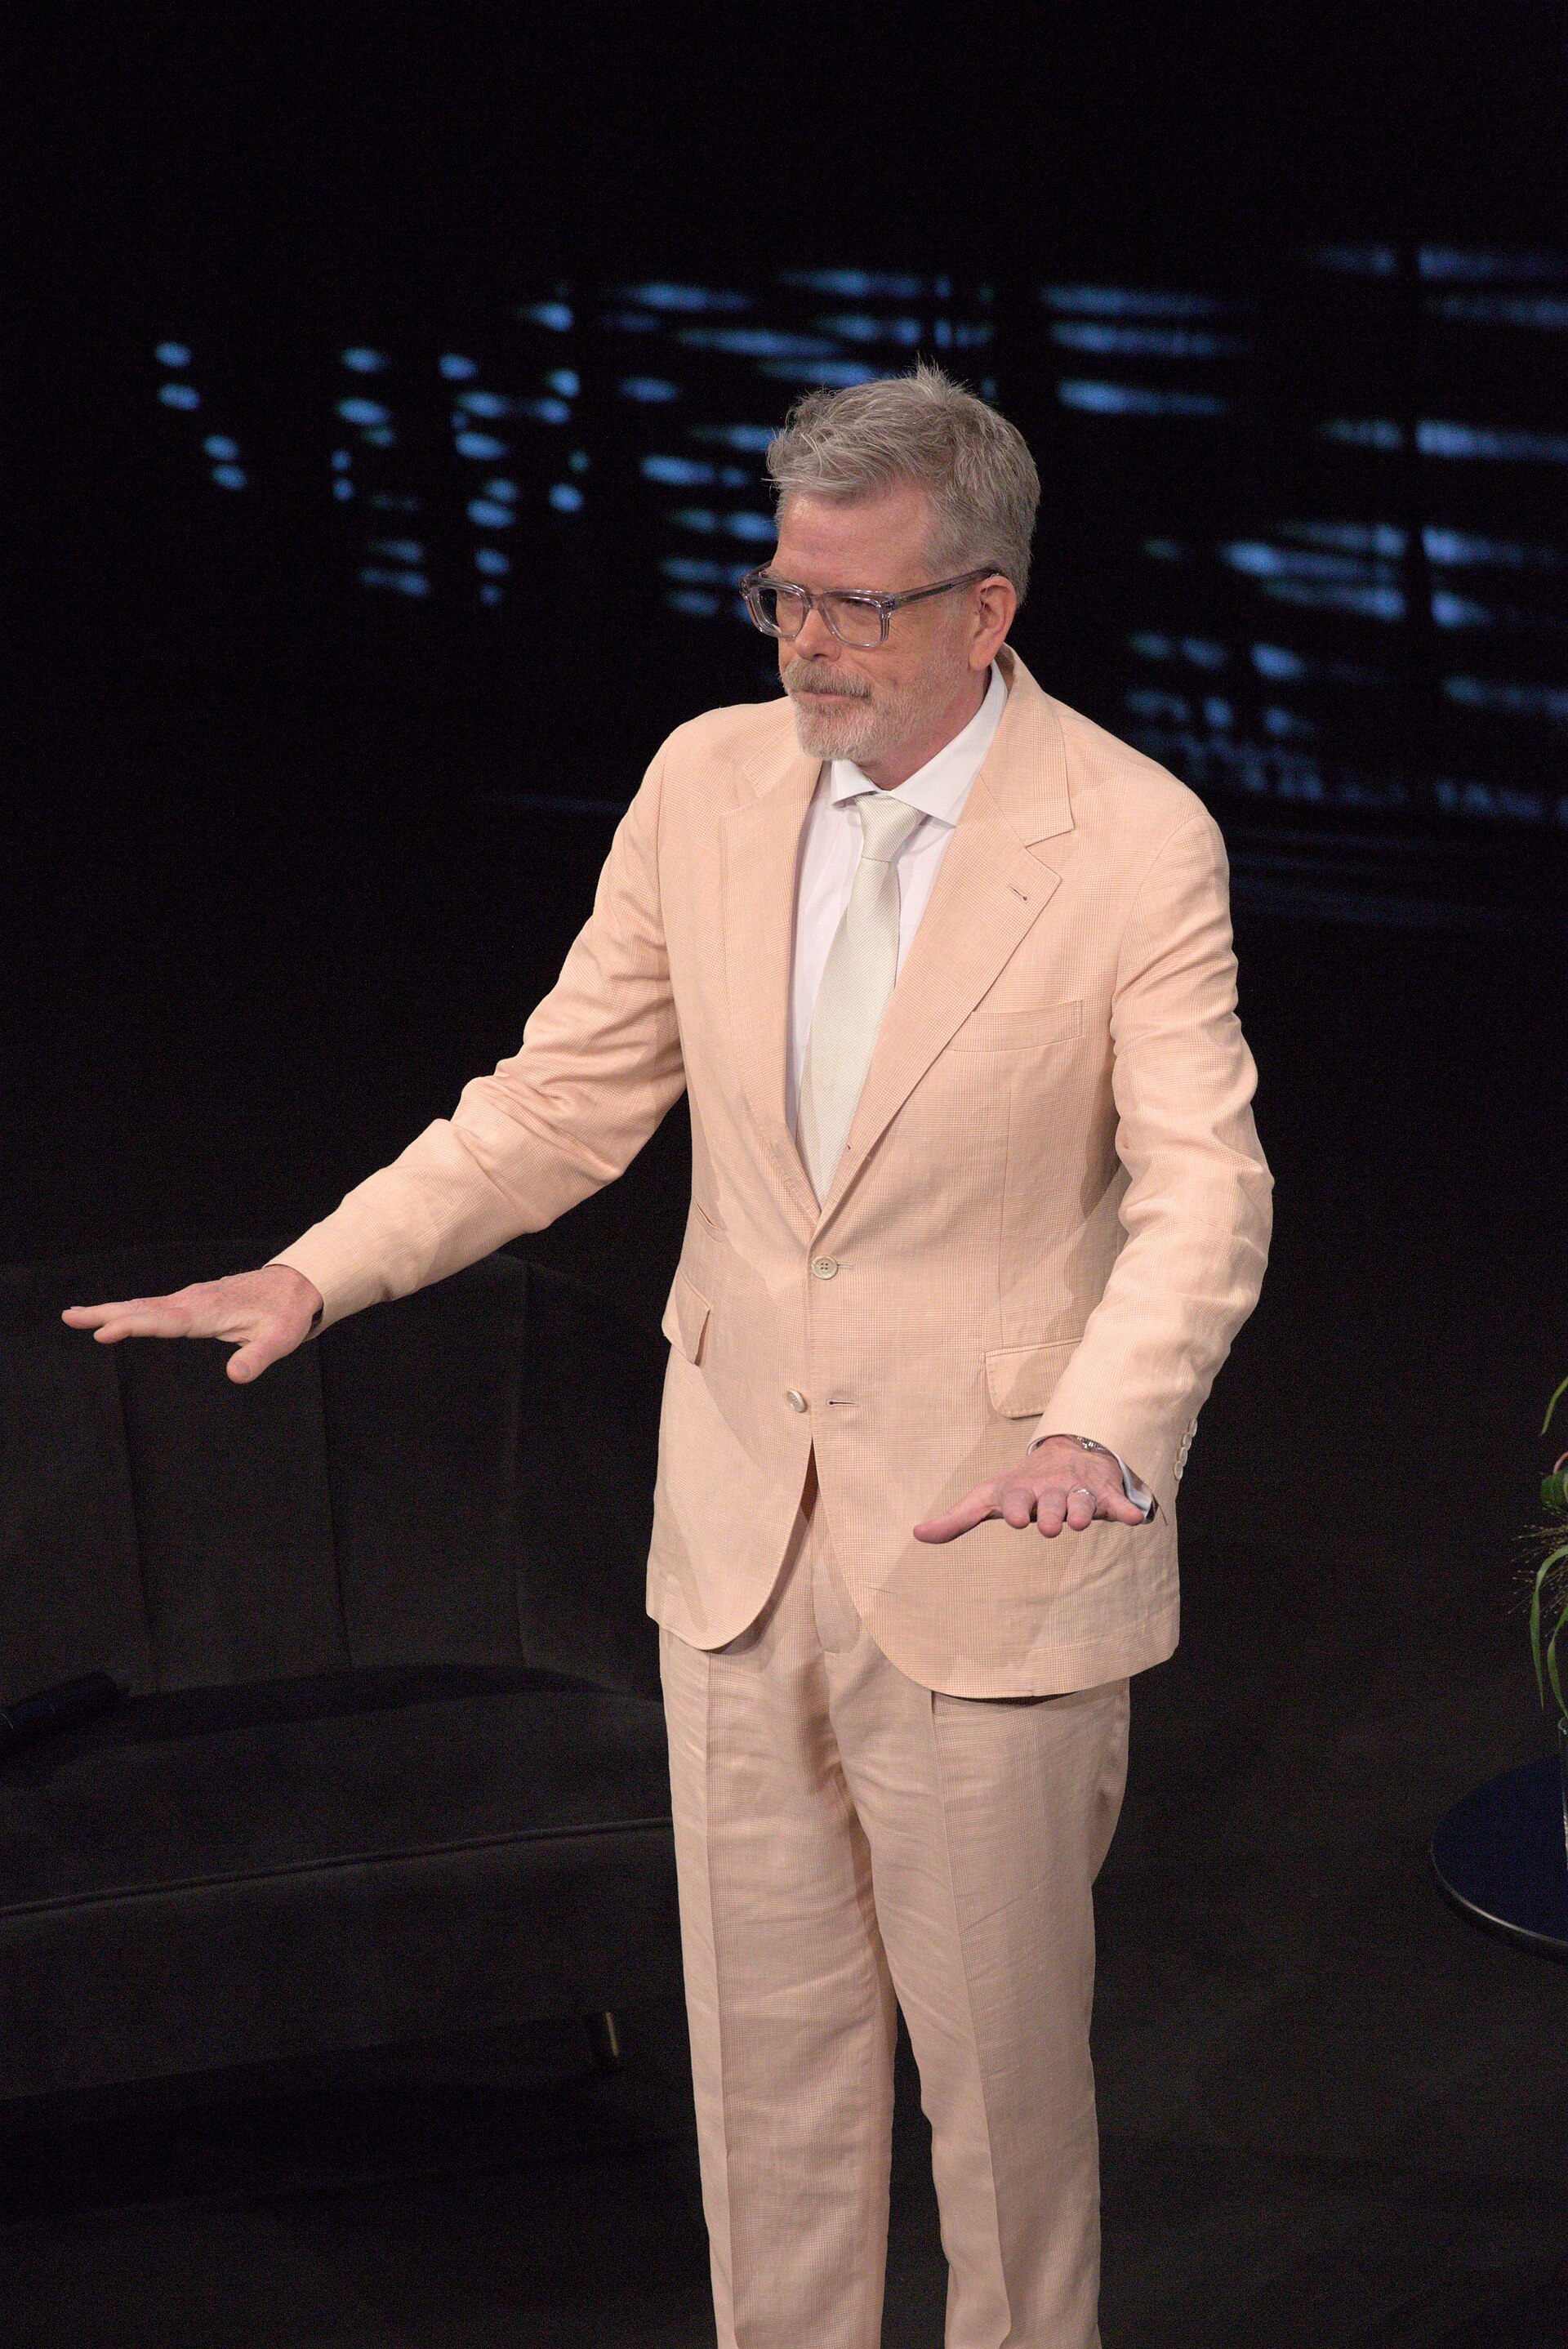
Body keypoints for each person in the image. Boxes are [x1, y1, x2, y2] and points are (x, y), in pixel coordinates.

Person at [65, 362, 1272, 2349]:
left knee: (1004, 2114)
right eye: (785, 595)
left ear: (991, 609)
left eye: (860, 607)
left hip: (990, 1546)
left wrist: (1103, 1430)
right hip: (736, 1546)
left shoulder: (1135, 840)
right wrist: (324, 1269)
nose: (811, 643)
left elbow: (1206, 1190)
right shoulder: (704, 783)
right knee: (770, 2095)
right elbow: (560, 1100)